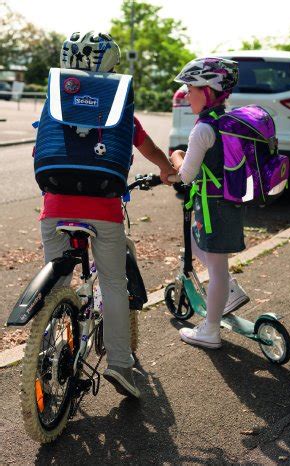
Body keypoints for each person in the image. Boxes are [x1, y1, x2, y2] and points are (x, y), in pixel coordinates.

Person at [39, 31, 176, 398]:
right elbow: (147, 148)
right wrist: (168, 170)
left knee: (56, 284)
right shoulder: (117, 103)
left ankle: (49, 350)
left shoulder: (56, 97)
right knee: (114, 284)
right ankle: (119, 364)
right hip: (103, 208)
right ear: (111, 62)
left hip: (55, 206)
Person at [170, 57, 249, 349]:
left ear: (208, 91)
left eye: (191, 88)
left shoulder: (203, 129)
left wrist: (176, 156)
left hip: (213, 207)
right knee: (198, 242)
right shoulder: (227, 121)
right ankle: (229, 289)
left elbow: (186, 175)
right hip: (229, 202)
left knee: (215, 269)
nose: (186, 94)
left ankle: (210, 330)